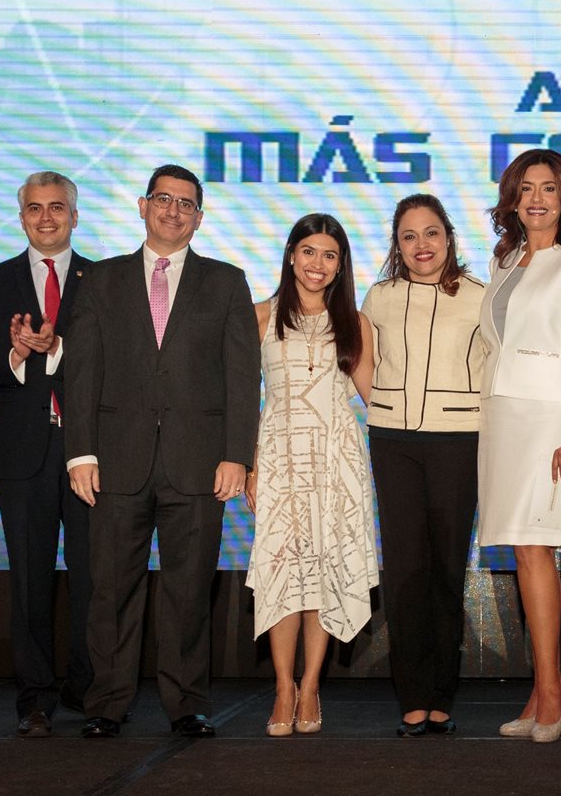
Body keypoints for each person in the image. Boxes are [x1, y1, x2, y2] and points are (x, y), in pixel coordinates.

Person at [64, 164, 260, 739]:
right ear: (143, 206)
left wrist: (237, 454)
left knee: (188, 591)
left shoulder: (226, 281)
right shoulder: (101, 279)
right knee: (111, 590)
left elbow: (241, 376)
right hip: (114, 461)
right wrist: (80, 453)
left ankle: (186, 703)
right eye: (164, 199)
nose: (174, 211)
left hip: (198, 463)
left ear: (199, 218)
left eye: (186, 204)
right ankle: (107, 703)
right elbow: (82, 372)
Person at [477, 149, 561, 743]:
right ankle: (543, 689)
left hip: (550, 419)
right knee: (525, 550)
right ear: (512, 198)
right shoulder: (503, 259)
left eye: (549, 188)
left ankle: (552, 692)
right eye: (526, 188)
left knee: (538, 547)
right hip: (502, 416)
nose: (537, 199)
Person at [0, 171, 94, 737]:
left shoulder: (104, 279)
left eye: (57, 207)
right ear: (21, 218)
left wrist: (58, 348)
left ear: (74, 216)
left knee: (94, 579)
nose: (46, 218)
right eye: (35, 208)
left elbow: (120, 364)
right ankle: (34, 699)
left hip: (91, 453)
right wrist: (15, 356)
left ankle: (89, 692)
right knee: (30, 581)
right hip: (21, 455)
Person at [245, 213, 377, 737]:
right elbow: (241, 396)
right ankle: (282, 687)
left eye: (329, 255)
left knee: (324, 573)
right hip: (278, 457)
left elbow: (375, 397)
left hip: (337, 461)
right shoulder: (259, 315)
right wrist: (250, 463)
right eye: (308, 251)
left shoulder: (356, 323)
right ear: (291, 255)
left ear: (340, 265)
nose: (317, 263)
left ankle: (310, 685)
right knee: (281, 573)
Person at [361, 194, 486, 737]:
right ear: (397, 244)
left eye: (431, 233)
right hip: (394, 443)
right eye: (409, 236)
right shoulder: (380, 296)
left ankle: (442, 695)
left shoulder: (481, 295)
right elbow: (361, 359)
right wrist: (381, 406)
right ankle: (413, 696)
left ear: (449, 237)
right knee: (406, 569)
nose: (421, 245)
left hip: (459, 440)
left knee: (447, 569)